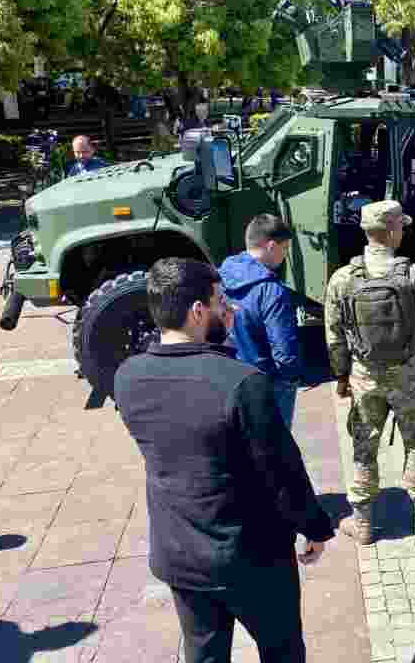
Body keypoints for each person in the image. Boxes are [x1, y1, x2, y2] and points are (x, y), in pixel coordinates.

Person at [114, 258, 334, 663]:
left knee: (205, 655)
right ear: (198, 311)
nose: (227, 309)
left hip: (180, 554)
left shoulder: (127, 377)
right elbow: (282, 474)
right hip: (251, 557)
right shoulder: (241, 383)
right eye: (220, 301)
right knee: (282, 651)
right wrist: (315, 526)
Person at [324, 200, 415, 545]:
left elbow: (334, 337)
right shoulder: (414, 274)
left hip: (365, 376)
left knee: (364, 445)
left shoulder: (342, 279)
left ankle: (363, 523)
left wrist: (341, 377)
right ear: (393, 231)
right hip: (409, 374)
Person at [219, 215, 303, 429]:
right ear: (271, 246)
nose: (285, 256)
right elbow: (284, 351)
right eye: (285, 249)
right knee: (276, 451)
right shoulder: (271, 291)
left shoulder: (221, 276)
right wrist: (290, 379)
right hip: (266, 385)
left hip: (229, 379)